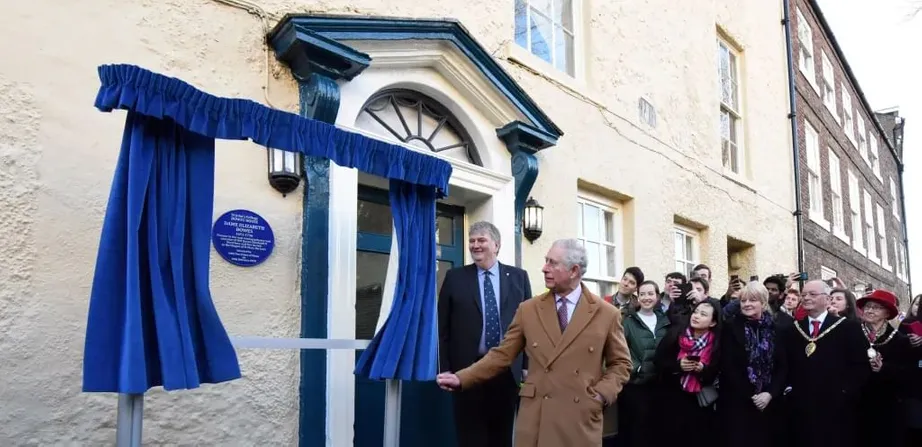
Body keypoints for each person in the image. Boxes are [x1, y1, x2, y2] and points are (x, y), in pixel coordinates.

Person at [436, 238, 632, 447]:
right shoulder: (528, 309)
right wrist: (461, 378)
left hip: (579, 419)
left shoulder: (606, 314)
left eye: (552, 263)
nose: (544, 268)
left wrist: (600, 395)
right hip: (537, 420)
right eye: (546, 261)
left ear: (574, 270)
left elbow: (621, 364)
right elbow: (502, 355)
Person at [437, 221, 532, 447]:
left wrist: (527, 365)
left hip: (506, 371)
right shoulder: (455, 277)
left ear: (496, 245)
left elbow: (530, 327)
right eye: (472, 241)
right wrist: (444, 367)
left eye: (481, 240)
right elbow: (442, 327)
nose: (475, 245)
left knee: (502, 436)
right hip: (467, 370)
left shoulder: (518, 277)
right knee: (471, 437)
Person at [784, 280, 870, 447]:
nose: (806, 298)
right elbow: (785, 363)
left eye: (812, 294)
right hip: (801, 407)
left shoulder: (848, 327)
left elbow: (860, 365)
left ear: (828, 299)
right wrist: (789, 389)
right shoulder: (792, 329)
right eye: (804, 295)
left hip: (836, 407)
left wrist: (845, 391)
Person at [719, 282, 787, 447]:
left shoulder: (778, 329)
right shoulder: (730, 327)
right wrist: (752, 395)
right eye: (743, 300)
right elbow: (728, 365)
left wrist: (769, 394)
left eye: (752, 300)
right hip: (738, 401)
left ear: (763, 303)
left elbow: (783, 366)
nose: (747, 304)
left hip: (770, 403)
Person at [653, 298, 722, 447]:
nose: (696, 316)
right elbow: (658, 361)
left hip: (699, 402)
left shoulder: (716, 344)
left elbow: (717, 372)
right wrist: (678, 366)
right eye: (696, 312)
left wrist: (703, 369)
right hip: (673, 398)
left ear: (713, 322)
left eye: (703, 314)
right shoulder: (676, 333)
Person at [614, 280, 670, 447]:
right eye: (642, 294)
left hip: (660, 384)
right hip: (636, 385)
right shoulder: (629, 321)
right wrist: (636, 368)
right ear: (638, 297)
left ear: (657, 296)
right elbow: (619, 350)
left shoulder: (665, 320)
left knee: (657, 431)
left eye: (650, 294)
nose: (646, 298)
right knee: (637, 432)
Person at [855, 289, 911, 447]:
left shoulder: (900, 340)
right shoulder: (852, 333)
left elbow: (907, 373)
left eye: (875, 307)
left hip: (887, 406)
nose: (869, 310)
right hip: (857, 403)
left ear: (887, 313)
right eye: (867, 306)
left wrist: (883, 368)